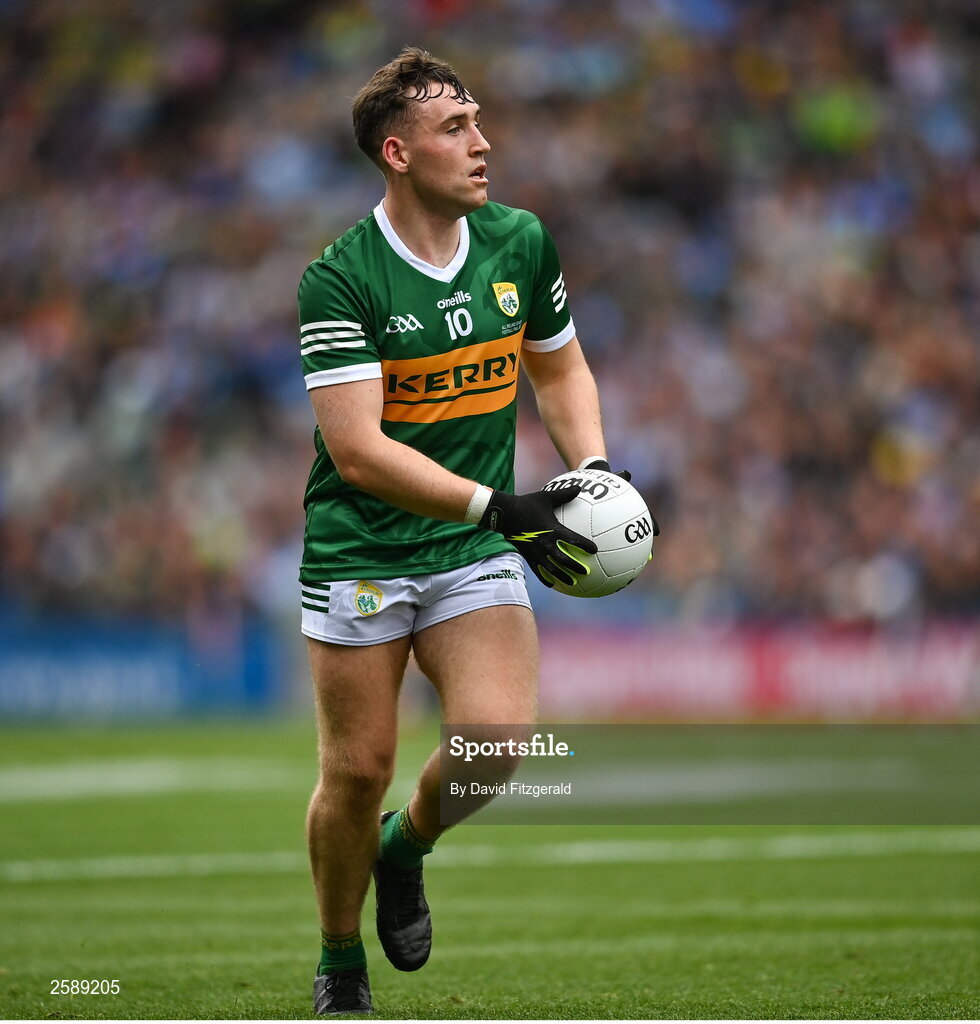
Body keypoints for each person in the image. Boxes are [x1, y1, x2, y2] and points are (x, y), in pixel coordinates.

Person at [298, 46, 635, 1015]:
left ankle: (405, 850)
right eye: (455, 128)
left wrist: (592, 468)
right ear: (396, 152)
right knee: (355, 768)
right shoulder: (339, 279)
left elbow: (559, 369)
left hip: (468, 548)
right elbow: (357, 451)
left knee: (494, 742)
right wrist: (501, 504)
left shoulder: (519, 242)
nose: (482, 143)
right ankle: (337, 956)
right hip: (361, 549)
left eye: (478, 121)